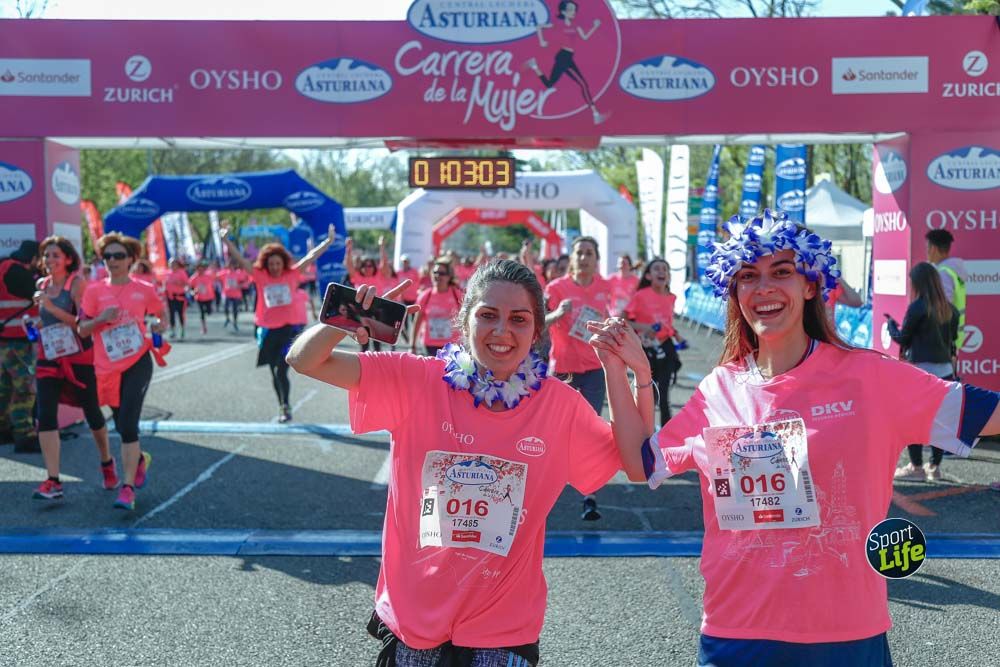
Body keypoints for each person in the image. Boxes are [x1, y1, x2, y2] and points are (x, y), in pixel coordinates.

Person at [588, 210, 1000, 667]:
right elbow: (641, 463)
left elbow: (986, 414)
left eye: (781, 272)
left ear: (810, 286)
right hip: (736, 634)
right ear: (736, 291)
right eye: (748, 276)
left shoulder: (868, 377)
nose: (763, 287)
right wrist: (628, 371)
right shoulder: (719, 388)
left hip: (845, 636)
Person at [286, 259, 623, 666]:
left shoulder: (559, 404)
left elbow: (636, 460)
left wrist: (632, 373)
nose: (502, 331)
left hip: (502, 627)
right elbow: (304, 360)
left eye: (519, 319)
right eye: (487, 315)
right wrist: (346, 318)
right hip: (416, 622)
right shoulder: (416, 380)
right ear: (463, 323)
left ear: (537, 330)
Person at [79, 233, 168, 511]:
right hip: (107, 367)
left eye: (119, 256)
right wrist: (100, 319)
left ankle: (127, 488)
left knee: (128, 424)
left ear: (130, 259)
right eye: (108, 256)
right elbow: (82, 329)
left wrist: (157, 326)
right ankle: (139, 460)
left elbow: (160, 315)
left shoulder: (143, 288)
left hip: (138, 362)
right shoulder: (93, 290)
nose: (113, 261)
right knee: (120, 424)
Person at [222, 224, 334, 423]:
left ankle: (285, 405)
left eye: (278, 264)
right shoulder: (260, 276)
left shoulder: (291, 275)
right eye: (271, 264)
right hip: (266, 331)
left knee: (281, 369)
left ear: (283, 264)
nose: (275, 267)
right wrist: (226, 240)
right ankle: (282, 403)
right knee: (273, 370)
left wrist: (328, 241)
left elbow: (310, 257)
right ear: (266, 264)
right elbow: (240, 259)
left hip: (288, 330)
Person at [32, 236, 115, 500]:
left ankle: (106, 462)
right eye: (46, 255)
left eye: (55, 255)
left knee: (92, 412)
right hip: (49, 357)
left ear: (68, 259)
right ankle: (53, 480)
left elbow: (83, 324)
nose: (50, 260)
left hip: (79, 357)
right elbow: (46, 321)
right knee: (45, 415)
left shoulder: (77, 285)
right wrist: (36, 325)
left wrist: (50, 308)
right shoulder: (41, 285)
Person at [544, 235, 611, 521]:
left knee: (590, 427)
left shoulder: (605, 288)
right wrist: (558, 313)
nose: (584, 258)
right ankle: (547, 485)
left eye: (589, 253)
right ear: (571, 258)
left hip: (594, 368)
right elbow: (538, 322)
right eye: (579, 253)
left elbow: (613, 319)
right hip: (563, 368)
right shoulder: (557, 287)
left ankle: (589, 494)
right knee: (557, 428)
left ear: (596, 259)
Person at [888, 262, 960, 482]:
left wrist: (891, 325)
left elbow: (902, 339)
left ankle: (916, 468)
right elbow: (952, 345)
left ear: (918, 283)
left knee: (913, 421)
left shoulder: (918, 307)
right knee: (941, 423)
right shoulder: (951, 310)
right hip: (945, 373)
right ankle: (934, 467)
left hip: (920, 374)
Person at [624, 257, 685, 426]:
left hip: (665, 347)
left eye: (664, 269)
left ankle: (667, 434)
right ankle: (645, 431)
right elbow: (625, 320)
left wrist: (675, 333)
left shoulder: (672, 297)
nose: (661, 272)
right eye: (657, 269)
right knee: (649, 394)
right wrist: (644, 327)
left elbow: (667, 322)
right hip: (646, 349)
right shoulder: (640, 296)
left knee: (664, 395)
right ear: (649, 276)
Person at [525, 0, 607, 124]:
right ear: (563, 11)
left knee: (550, 84)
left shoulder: (576, 25)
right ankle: (595, 115)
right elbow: (539, 26)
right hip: (563, 57)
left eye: (574, 9)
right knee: (583, 84)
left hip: (568, 57)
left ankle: (534, 66)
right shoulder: (558, 24)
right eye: (570, 9)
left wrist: (595, 27)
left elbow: (585, 37)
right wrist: (542, 41)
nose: (573, 12)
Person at [0, 240, 41, 453]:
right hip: (19, 341)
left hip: (3, 341)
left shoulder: (3, 267)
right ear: (33, 258)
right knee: (24, 389)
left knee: (3, 388)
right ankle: (24, 435)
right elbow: (38, 295)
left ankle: (3, 430)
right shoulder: (18, 273)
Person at [410, 258, 463, 357]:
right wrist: (412, 345)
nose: (437, 275)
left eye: (442, 273)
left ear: (449, 276)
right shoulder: (425, 295)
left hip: (452, 346)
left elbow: (466, 319)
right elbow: (417, 321)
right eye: (435, 272)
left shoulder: (457, 295)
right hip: (430, 345)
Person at [925, 229, 967, 352]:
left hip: (944, 338)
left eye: (927, 247)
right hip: (953, 336)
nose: (926, 251)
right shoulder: (953, 270)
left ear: (933, 248)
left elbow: (944, 308)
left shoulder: (943, 273)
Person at [218, 259, 248, 332]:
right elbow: (214, 277)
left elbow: (246, 282)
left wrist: (240, 285)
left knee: (235, 310)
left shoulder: (238, 274)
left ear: (234, 266)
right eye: (229, 265)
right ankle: (227, 318)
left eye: (232, 265)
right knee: (225, 308)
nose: (230, 267)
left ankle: (235, 322)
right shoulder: (224, 273)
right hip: (226, 294)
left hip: (236, 295)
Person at [164, 258, 189, 339]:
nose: (172, 266)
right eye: (171, 264)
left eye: (174, 264)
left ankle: (182, 329)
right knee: (171, 314)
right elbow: (165, 283)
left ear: (178, 265)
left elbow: (187, 283)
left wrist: (180, 283)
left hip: (179, 295)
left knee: (180, 313)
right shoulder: (167, 273)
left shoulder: (182, 273)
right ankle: (173, 331)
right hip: (170, 296)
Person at [608, 253, 639, 317]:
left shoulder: (636, 280)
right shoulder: (611, 279)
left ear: (630, 266)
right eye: (620, 263)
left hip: (630, 316)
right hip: (614, 315)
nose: (622, 266)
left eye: (624, 263)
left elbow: (639, 298)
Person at [189, 262, 216, 335]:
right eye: (198, 269)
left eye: (201, 269)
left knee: (209, 311)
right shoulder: (194, 278)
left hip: (209, 297)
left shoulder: (208, 276)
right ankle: (203, 327)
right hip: (199, 298)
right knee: (202, 313)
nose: (200, 270)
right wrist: (193, 291)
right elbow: (190, 287)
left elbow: (215, 278)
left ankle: (209, 310)